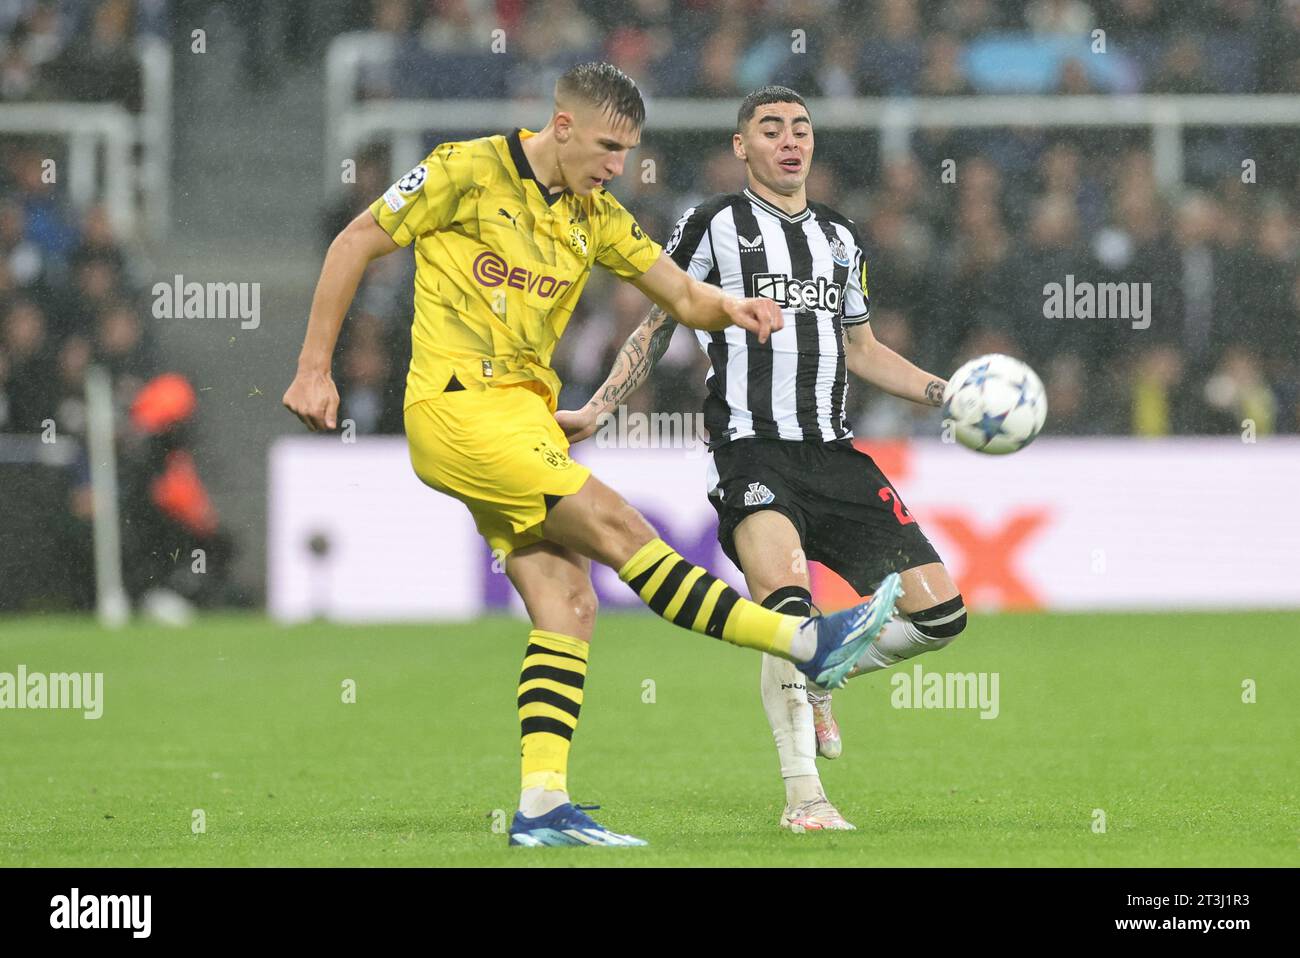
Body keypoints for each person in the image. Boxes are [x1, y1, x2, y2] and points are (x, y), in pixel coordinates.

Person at [282, 65, 902, 847]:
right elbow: (355, 242)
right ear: (563, 125)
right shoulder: (462, 170)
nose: (617, 165)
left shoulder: (596, 215)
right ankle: (804, 642)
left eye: (630, 150)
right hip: (457, 406)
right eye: (608, 146)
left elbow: (679, 295)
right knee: (619, 526)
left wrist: (731, 307)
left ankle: (542, 805)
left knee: (569, 604)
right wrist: (314, 367)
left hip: (530, 418)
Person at [559, 86, 967, 833]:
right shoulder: (714, 225)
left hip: (835, 454)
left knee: (942, 616)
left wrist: (947, 394)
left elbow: (863, 350)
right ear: (741, 147)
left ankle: (820, 667)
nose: (790, 140)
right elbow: (659, 322)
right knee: (785, 602)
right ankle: (804, 798)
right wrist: (598, 407)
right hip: (750, 449)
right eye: (770, 129)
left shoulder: (841, 238)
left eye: (801, 129)